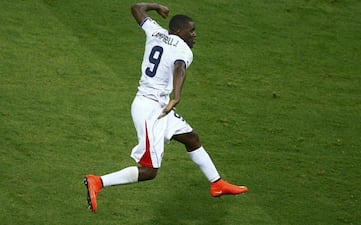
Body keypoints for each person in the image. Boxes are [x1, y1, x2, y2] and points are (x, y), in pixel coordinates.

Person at [84, 2, 248, 213]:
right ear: (179, 32)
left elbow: (136, 8)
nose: (195, 35)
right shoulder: (184, 49)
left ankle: (217, 183)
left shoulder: (155, 31)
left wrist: (155, 6)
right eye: (192, 30)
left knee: (191, 138)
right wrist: (177, 95)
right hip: (151, 109)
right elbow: (179, 68)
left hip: (158, 106)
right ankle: (98, 181)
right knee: (150, 171)